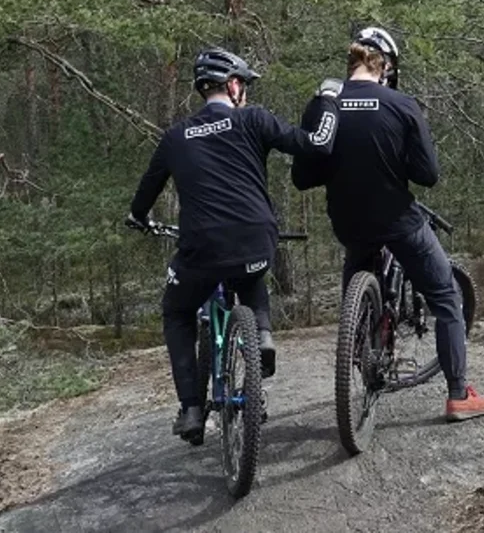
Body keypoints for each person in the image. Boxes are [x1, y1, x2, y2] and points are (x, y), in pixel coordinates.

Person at [127, 47, 343, 444]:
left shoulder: (176, 138)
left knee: (177, 312)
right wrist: (328, 101)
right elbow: (317, 144)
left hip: (201, 250)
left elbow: (144, 195)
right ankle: (261, 334)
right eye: (243, 84)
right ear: (232, 85)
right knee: (251, 271)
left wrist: (139, 218)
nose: (245, 91)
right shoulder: (253, 120)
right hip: (256, 240)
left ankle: (191, 407)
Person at [291, 27, 484, 422]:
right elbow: (427, 175)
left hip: (348, 223)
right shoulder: (401, 104)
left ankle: (360, 343)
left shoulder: (323, 104)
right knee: (445, 297)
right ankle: (458, 395)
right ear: (385, 67)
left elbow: (302, 177)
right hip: (398, 220)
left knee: (358, 265)